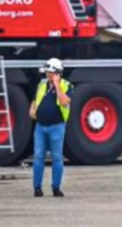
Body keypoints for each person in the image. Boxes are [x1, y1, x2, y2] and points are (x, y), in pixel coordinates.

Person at [29, 58, 73, 197]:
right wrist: (32, 109)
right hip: (40, 127)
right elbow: (36, 99)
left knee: (57, 158)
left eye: (50, 72)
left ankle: (56, 187)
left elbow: (65, 101)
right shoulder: (42, 85)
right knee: (38, 157)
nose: (47, 75)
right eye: (47, 72)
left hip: (57, 127)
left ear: (57, 73)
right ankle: (37, 188)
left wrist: (57, 84)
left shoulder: (67, 86)